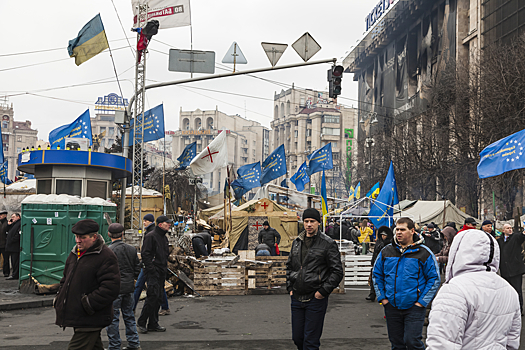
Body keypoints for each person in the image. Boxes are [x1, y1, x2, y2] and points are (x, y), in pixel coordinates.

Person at [426, 229, 521, 349]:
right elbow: (512, 342)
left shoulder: (454, 290)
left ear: (458, 251)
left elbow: (441, 345)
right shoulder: (509, 290)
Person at [373, 217, 440, 350]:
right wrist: (383, 298)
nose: (398, 232)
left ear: (412, 231)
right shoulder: (386, 251)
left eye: (402, 229)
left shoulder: (424, 253)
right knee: (396, 344)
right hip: (392, 306)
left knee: (412, 341)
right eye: (397, 229)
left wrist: (422, 302)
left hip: (414, 307)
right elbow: (376, 274)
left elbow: (434, 279)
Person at [54, 219, 120, 350]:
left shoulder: (105, 256)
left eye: (82, 238)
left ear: (94, 237)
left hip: (90, 317)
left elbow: (110, 288)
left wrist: (88, 303)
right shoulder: (75, 254)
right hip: (79, 316)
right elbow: (65, 279)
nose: (78, 240)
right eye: (76, 237)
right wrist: (59, 298)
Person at [286, 208, 344, 350]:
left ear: (318, 223)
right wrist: (290, 287)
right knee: (297, 338)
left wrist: (322, 292)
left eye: (312, 221)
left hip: (315, 298)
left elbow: (337, 271)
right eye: (306, 221)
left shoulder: (327, 243)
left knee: (311, 341)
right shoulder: (297, 242)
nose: (309, 224)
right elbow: (289, 266)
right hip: (297, 297)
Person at [106, 223, 142, 350]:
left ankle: (115, 346)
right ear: (122, 234)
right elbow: (138, 268)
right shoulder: (131, 249)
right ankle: (134, 343)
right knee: (129, 316)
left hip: (114, 288)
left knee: (112, 319)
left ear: (109, 234)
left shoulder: (108, 251)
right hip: (128, 287)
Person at [136, 215, 172, 334]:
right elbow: (145, 254)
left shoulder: (163, 237)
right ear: (160, 224)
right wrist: (151, 270)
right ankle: (142, 322)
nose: (170, 225)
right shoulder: (151, 236)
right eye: (167, 223)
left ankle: (153, 323)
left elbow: (164, 253)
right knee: (152, 297)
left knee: (157, 298)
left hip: (161, 271)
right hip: (153, 272)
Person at [498, 223, 525, 314]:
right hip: (505, 270)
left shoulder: (516, 237)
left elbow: (522, 236)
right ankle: (509, 309)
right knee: (507, 291)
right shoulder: (500, 241)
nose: (510, 229)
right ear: (503, 230)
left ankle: (519, 309)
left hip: (516, 270)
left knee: (517, 290)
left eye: (511, 228)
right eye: (507, 228)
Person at [366, 226, 393, 302]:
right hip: (377, 261)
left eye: (384, 235)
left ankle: (384, 295)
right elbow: (375, 252)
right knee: (374, 278)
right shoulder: (379, 241)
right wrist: (372, 261)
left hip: (385, 262)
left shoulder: (389, 243)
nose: (383, 236)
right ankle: (372, 294)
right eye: (382, 235)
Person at [5, 213, 21, 280]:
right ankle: (14, 274)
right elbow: (7, 231)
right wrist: (9, 225)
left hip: (15, 246)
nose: (12, 218)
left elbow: (18, 234)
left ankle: (15, 275)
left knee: (15, 261)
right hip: (11, 246)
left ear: (18, 217)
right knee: (13, 261)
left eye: (13, 217)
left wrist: (11, 240)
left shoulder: (19, 223)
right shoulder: (14, 224)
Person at [0, 211, 9, 277]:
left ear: (5, 216)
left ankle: (6, 272)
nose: (0, 216)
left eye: (1, 215)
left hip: (4, 244)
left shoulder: (7, 223)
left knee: (6, 259)